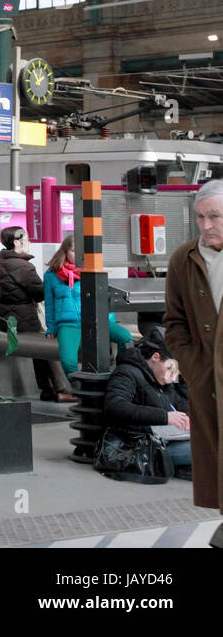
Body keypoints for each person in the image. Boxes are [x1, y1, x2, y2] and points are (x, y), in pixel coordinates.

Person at [164, 179, 223, 546]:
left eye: (215, 216)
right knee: (217, 451)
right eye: (200, 216)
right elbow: (174, 322)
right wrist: (193, 363)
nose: (206, 225)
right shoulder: (184, 259)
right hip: (209, 381)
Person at [0, 226, 74, 403]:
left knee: (39, 347)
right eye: (27, 239)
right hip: (22, 322)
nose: (29, 242)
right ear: (16, 242)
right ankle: (60, 388)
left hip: (0, 320)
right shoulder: (24, 267)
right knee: (47, 345)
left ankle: (48, 389)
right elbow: (40, 293)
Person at [102, 329, 192, 477]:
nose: (173, 377)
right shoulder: (126, 372)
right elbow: (115, 406)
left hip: (165, 440)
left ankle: (184, 468)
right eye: (171, 369)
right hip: (141, 447)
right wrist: (165, 417)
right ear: (155, 357)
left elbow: (179, 403)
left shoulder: (162, 378)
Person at [43, 234, 133, 379]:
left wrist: (109, 320)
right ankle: (78, 389)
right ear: (65, 252)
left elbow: (104, 298)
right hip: (69, 323)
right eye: (73, 251)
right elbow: (49, 303)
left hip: (96, 320)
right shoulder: (51, 275)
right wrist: (51, 327)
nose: (78, 255)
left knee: (126, 338)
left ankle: (121, 377)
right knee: (68, 361)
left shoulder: (93, 271)